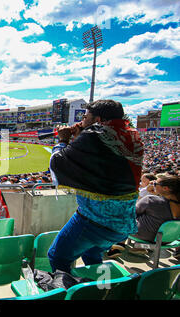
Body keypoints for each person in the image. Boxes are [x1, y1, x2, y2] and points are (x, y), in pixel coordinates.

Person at [48, 99, 143, 273]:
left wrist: (63, 140)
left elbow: (57, 164)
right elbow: (102, 161)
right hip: (124, 224)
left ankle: (68, 292)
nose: (81, 121)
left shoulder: (94, 135)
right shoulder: (131, 134)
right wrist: (82, 134)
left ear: (98, 120)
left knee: (57, 256)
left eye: (85, 117)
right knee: (92, 253)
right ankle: (99, 289)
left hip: (95, 220)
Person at [128, 174, 180, 255]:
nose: (152, 185)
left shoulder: (150, 200)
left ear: (165, 188)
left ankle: (117, 244)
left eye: (155, 184)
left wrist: (149, 193)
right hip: (167, 240)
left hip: (144, 235)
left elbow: (131, 213)